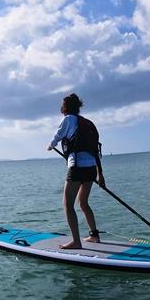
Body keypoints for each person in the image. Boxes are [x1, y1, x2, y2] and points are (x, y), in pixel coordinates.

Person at [47, 93, 105, 249]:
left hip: (77, 166)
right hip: (91, 168)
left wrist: (51, 145)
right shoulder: (87, 122)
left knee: (67, 204)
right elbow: (95, 150)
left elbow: (58, 135)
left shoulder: (68, 119)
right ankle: (94, 235)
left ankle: (76, 242)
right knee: (83, 202)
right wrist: (101, 174)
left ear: (65, 107)